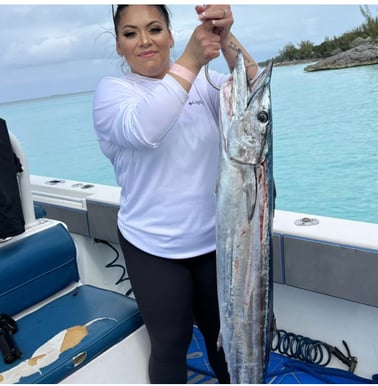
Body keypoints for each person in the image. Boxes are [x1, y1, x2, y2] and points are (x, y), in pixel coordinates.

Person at [92, 4, 260, 384]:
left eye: (154, 29)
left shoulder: (206, 82)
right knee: (171, 344)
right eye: (130, 33)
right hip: (153, 245)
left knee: (226, 341)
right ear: (118, 46)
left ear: (170, 34)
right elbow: (146, 129)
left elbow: (255, 92)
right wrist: (190, 59)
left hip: (217, 242)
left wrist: (225, 35)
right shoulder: (112, 93)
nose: (144, 41)